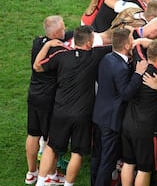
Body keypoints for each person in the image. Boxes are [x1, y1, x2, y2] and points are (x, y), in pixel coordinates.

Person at [33, 25, 112, 186]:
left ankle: (41, 183)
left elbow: (37, 66)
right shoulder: (96, 55)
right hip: (82, 115)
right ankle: (68, 185)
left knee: (51, 147)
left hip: (60, 111)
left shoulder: (61, 56)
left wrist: (47, 45)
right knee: (77, 152)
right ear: (89, 43)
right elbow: (117, 45)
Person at [90, 28, 148, 186]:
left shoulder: (107, 58)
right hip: (111, 121)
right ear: (128, 46)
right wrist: (138, 74)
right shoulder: (121, 68)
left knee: (97, 156)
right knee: (107, 161)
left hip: (99, 115)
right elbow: (126, 94)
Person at [120, 38, 157, 186]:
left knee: (128, 163)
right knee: (144, 168)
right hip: (146, 130)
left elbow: (137, 46)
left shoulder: (139, 65)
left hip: (128, 124)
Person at [25, 16, 67, 185]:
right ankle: (51, 174)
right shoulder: (56, 51)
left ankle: (31, 172)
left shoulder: (38, 42)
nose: (66, 30)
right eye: (63, 28)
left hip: (33, 95)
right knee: (51, 139)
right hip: (48, 100)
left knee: (33, 134)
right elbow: (39, 65)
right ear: (56, 33)